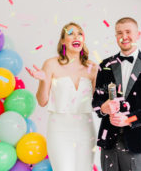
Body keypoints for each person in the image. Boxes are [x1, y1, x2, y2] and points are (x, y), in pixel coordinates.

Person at [92, 17, 141, 171]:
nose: (123, 36)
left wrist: (129, 119)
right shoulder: (105, 65)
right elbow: (96, 102)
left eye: (128, 32)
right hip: (109, 143)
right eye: (119, 33)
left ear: (138, 34)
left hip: (138, 142)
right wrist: (104, 108)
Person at [26, 22, 98, 171]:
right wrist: (43, 80)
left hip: (86, 129)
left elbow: (99, 103)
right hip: (59, 130)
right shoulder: (51, 64)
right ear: (63, 41)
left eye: (79, 33)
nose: (76, 36)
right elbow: (42, 101)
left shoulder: (93, 68)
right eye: (71, 33)